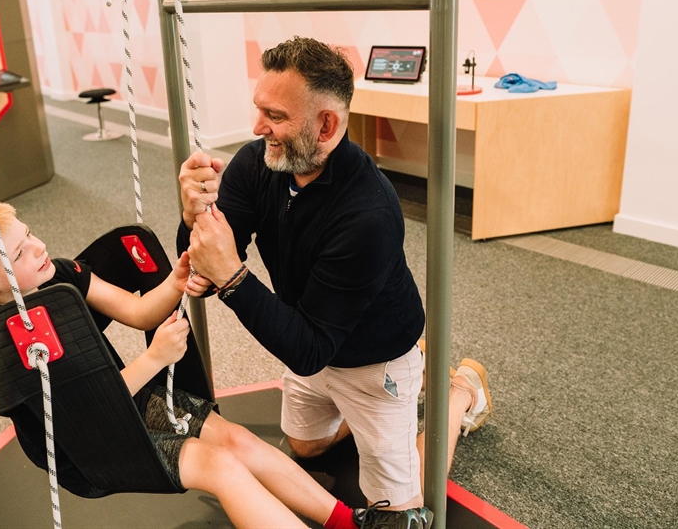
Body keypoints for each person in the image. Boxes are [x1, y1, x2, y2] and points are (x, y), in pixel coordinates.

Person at [0, 201, 400, 529]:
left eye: (29, 234)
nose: (39, 247)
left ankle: (348, 521)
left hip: (129, 399)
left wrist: (176, 280)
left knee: (235, 438)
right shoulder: (6, 341)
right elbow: (86, 414)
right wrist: (155, 357)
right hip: (89, 448)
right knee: (220, 465)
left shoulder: (53, 273)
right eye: (20, 251)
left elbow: (137, 310)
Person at [178, 36, 492, 523]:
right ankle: (409, 382)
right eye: (259, 109)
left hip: (372, 358)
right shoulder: (257, 162)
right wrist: (192, 214)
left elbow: (306, 348)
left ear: (326, 125)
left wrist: (233, 279)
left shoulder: (369, 211)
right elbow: (204, 257)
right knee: (305, 447)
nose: (259, 126)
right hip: (311, 337)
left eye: (276, 116)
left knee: (403, 515)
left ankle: (460, 392)